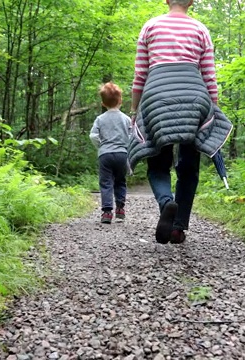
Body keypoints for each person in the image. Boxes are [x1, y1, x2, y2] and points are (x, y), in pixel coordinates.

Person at [127, 0, 232, 244]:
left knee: (158, 163)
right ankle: (178, 227)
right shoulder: (200, 30)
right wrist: (213, 109)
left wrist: (134, 110)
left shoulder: (150, 27)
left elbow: (140, 74)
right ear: (192, 2)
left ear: (166, 0)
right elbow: (209, 76)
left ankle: (166, 203)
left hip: (156, 96)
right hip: (195, 97)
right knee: (188, 166)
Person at [90, 82, 131, 224]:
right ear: (120, 100)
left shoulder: (100, 119)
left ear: (103, 103)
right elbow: (132, 137)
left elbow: (93, 136)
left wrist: (101, 146)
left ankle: (107, 212)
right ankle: (120, 208)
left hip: (105, 155)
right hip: (122, 154)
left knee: (106, 182)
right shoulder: (126, 119)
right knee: (120, 181)